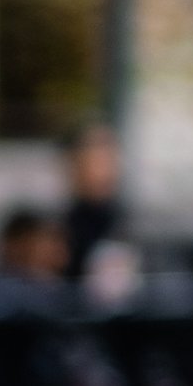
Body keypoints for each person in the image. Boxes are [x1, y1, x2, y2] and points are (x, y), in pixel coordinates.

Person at [59, 121, 124, 282]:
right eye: (93, 162)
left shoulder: (133, 224)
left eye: (107, 160)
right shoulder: (58, 231)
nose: (102, 171)